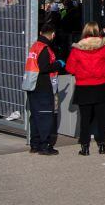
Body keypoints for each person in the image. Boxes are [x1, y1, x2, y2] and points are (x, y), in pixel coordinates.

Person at [65, 21, 105, 156]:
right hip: (100, 84)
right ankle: (102, 145)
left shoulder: (77, 49)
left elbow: (69, 68)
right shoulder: (103, 47)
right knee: (101, 117)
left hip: (84, 86)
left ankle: (85, 146)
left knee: (85, 118)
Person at [25, 22, 62, 155]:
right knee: (46, 115)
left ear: (40, 33)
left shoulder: (35, 46)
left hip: (31, 84)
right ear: (53, 35)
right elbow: (44, 67)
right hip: (43, 85)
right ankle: (45, 145)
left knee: (35, 116)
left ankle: (34, 144)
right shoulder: (45, 49)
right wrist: (57, 64)